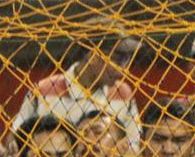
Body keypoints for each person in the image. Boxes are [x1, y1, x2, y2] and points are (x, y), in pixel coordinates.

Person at [12, 21, 141, 145]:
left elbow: (135, 144)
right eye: (118, 60)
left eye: (127, 60)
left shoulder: (123, 93)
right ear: (93, 56)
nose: (123, 70)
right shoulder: (44, 91)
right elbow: (15, 139)